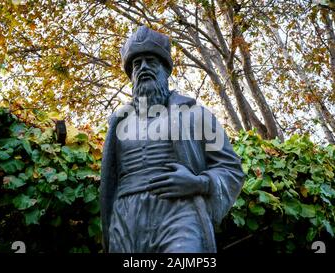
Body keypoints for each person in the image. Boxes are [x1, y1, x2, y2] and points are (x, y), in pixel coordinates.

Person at [100, 25, 245, 253]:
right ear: (131, 75)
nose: (144, 67)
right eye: (137, 64)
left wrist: (200, 183)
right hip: (126, 217)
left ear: (165, 70)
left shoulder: (196, 114)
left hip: (179, 213)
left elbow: (232, 169)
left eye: (151, 61)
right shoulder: (117, 122)